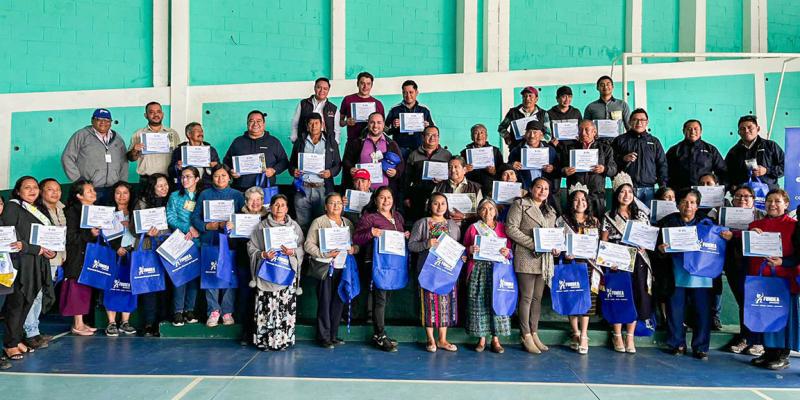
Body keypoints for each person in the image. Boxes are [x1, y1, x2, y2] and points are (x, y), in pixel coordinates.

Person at [658, 188, 733, 360]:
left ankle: (701, 347)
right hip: (676, 275)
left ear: (697, 206)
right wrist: (661, 250)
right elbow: (656, 249)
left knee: (703, 313)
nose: (688, 206)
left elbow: (718, 245)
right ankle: (677, 344)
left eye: (692, 202)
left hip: (702, 277)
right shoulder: (667, 222)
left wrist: (728, 237)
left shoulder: (708, 223)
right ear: (678, 204)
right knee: (675, 312)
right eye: (684, 202)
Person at [601, 172, 655, 354]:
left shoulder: (641, 215)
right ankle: (617, 334)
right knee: (619, 296)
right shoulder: (609, 216)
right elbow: (604, 242)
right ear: (616, 194)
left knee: (636, 296)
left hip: (638, 261)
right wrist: (608, 260)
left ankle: (630, 336)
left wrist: (644, 246)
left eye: (630, 192)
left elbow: (648, 238)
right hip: (617, 260)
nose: (626, 195)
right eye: (622, 192)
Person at [2, 177, 54, 361]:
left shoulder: (39, 209)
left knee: (27, 303)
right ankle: (10, 345)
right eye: (27, 187)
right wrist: (34, 248)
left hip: (36, 263)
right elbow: (9, 237)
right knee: (16, 305)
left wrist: (51, 251)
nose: (32, 190)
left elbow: (49, 237)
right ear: (18, 191)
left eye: (35, 187)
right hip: (18, 263)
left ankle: (16, 340)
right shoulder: (12, 207)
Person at [505, 177, 558, 354]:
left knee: (537, 298)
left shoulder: (551, 211)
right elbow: (511, 229)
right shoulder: (520, 204)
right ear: (531, 188)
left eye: (546, 188)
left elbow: (553, 235)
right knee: (526, 297)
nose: (542, 191)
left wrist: (555, 248)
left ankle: (534, 332)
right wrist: (535, 244)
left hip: (544, 261)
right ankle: (525, 334)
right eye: (539, 187)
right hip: (526, 256)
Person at [353, 187, 410, 352]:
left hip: (394, 264)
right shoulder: (369, 217)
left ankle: (379, 333)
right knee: (380, 299)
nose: (386, 201)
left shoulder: (397, 217)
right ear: (375, 200)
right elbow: (357, 238)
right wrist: (371, 232)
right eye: (382, 197)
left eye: (389, 197)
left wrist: (404, 235)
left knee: (385, 297)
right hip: (376, 263)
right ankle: (380, 335)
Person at [747, 189, 798, 370]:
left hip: (784, 279)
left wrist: (783, 262)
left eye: (777, 201)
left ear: (786, 204)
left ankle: (782, 355)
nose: (772, 204)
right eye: (769, 200)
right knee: (765, 315)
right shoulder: (755, 225)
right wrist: (750, 236)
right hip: (762, 279)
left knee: (783, 318)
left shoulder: (794, 225)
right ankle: (769, 352)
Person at [247, 194, 305, 351]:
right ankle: (264, 341)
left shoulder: (294, 227)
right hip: (267, 273)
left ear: (287, 208)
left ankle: (282, 341)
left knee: (284, 308)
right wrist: (262, 254)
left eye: (282, 205)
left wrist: (293, 252)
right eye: (276, 205)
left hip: (286, 273)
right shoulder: (261, 227)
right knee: (266, 308)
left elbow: (302, 248)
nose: (279, 208)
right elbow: (251, 247)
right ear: (270, 207)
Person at [191, 165, 245, 327]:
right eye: (216, 176)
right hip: (210, 240)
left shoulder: (237, 195)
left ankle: (227, 311)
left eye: (223, 175)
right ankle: (213, 311)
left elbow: (244, 217)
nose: (220, 179)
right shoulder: (205, 194)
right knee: (210, 274)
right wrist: (208, 226)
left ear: (230, 178)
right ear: (212, 178)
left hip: (230, 242)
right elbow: (195, 217)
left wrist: (233, 224)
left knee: (230, 275)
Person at [303, 192, 358, 348]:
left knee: (338, 303)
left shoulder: (347, 223)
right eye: (332, 203)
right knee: (325, 303)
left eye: (339, 203)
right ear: (326, 206)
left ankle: (333, 335)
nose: (336, 206)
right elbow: (308, 245)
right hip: (326, 267)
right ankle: (323, 337)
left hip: (343, 268)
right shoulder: (319, 222)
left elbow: (356, 244)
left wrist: (354, 249)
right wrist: (324, 254)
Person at [408, 193, 462, 352]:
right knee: (429, 305)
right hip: (428, 271)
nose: (439, 207)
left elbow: (457, 247)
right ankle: (430, 340)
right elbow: (411, 245)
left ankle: (442, 340)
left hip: (447, 271)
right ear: (429, 205)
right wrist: (427, 243)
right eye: (435, 203)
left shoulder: (453, 225)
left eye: (443, 203)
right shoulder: (422, 223)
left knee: (446, 304)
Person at [556, 184, 602, 354]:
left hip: (589, 265)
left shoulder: (594, 221)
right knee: (572, 297)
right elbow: (557, 242)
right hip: (571, 264)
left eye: (583, 199)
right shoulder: (562, 220)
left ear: (587, 202)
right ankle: (574, 332)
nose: (580, 203)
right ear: (571, 202)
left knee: (587, 300)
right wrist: (564, 252)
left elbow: (599, 245)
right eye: (576, 200)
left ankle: (584, 334)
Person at [463, 198, 512, 353]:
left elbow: (510, 251)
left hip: (498, 271)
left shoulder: (503, 228)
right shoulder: (473, 228)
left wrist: (507, 252)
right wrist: (470, 250)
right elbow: (464, 249)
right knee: (479, 303)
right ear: (479, 212)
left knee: (497, 302)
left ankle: (495, 339)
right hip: (478, 269)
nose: (487, 212)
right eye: (484, 208)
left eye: (491, 208)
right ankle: (481, 338)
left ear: (496, 211)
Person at [724, 185, 766, 356]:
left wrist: (739, 234)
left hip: (757, 265)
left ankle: (758, 341)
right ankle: (746, 338)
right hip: (734, 264)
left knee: (756, 302)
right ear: (732, 199)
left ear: (753, 199)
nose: (742, 199)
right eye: (738, 196)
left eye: (747, 196)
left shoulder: (762, 215)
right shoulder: (724, 215)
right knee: (742, 301)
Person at [22, 179, 63, 349]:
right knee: (35, 295)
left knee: (41, 296)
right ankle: (30, 333)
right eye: (50, 189)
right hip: (37, 259)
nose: (55, 193)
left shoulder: (60, 209)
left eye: (58, 189)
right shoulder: (35, 210)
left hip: (54, 259)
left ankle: (34, 330)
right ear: (42, 192)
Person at [132, 173, 172, 336]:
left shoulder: (172, 200)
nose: (164, 188)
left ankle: (163, 321)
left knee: (166, 285)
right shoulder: (141, 203)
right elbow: (134, 229)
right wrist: (146, 232)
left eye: (166, 185)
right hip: (149, 248)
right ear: (152, 187)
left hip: (168, 247)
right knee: (150, 285)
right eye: (160, 186)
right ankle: (149, 323)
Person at [61, 108, 128, 205]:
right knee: (90, 214)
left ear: (111, 122)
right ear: (92, 120)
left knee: (111, 214)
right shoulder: (82, 135)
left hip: (113, 189)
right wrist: (78, 180)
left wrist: (122, 183)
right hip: (90, 190)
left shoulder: (117, 138)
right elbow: (67, 157)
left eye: (107, 120)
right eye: (99, 119)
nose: (103, 122)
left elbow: (124, 161)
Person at [289, 113, 342, 231]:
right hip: (303, 189)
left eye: (316, 123)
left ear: (322, 125)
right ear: (307, 126)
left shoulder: (331, 141)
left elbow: (338, 164)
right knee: (302, 224)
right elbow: (291, 164)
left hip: (323, 189)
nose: (314, 126)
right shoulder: (300, 141)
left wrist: (330, 172)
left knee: (322, 224)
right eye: (311, 123)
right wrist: (294, 171)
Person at [62, 179, 101, 336]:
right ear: (79, 195)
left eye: (93, 190)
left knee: (85, 288)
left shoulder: (96, 211)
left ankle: (82, 322)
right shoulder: (72, 212)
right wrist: (90, 234)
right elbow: (70, 237)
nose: (94, 193)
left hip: (90, 255)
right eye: (89, 191)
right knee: (76, 288)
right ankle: (77, 324)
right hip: (76, 255)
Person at [166, 167, 202, 327]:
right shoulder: (175, 196)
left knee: (193, 277)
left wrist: (198, 229)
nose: (184, 180)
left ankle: (189, 310)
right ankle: (178, 312)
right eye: (182, 177)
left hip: (198, 240)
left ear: (197, 179)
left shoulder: (203, 195)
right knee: (180, 276)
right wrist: (187, 228)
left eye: (188, 177)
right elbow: (170, 217)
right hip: (180, 240)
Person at [234, 187, 269, 345]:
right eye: (251, 200)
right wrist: (230, 230)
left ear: (262, 201)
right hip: (244, 261)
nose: (255, 203)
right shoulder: (238, 217)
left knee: (264, 297)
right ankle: (246, 332)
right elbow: (233, 242)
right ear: (246, 202)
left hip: (264, 263)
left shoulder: (269, 217)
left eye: (258, 199)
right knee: (246, 296)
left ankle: (264, 332)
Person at [103, 181, 139, 336]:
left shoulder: (135, 213)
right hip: (113, 253)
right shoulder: (108, 212)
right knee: (111, 287)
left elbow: (141, 233)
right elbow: (104, 234)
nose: (121, 196)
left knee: (129, 287)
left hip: (132, 253)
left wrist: (130, 225)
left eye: (125, 193)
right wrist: (116, 247)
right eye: (118, 193)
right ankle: (111, 322)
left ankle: (125, 322)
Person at [612, 108, 668, 205]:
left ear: (647, 122)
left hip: (648, 189)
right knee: (625, 214)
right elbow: (611, 162)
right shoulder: (620, 140)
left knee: (647, 214)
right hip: (625, 189)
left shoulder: (654, 142)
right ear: (630, 122)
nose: (639, 122)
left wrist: (663, 186)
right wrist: (623, 159)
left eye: (642, 120)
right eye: (635, 119)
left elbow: (662, 164)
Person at [223, 110, 289, 191]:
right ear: (247, 124)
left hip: (265, 189)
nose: (255, 124)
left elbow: (284, 161)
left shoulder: (273, 142)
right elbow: (226, 162)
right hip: (240, 189)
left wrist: (273, 170)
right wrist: (231, 171)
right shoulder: (238, 141)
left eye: (259, 121)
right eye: (251, 121)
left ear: (264, 124)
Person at [561, 119, 616, 217]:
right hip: (576, 196)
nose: (583, 133)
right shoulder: (569, 148)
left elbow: (614, 169)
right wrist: (564, 171)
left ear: (594, 132)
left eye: (587, 130)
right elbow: (559, 168)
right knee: (575, 223)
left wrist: (604, 169)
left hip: (597, 195)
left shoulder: (605, 149)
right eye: (580, 130)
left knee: (597, 222)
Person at [341, 112, 405, 193]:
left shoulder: (391, 144)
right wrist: (350, 168)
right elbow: (346, 160)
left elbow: (401, 163)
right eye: (372, 122)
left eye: (379, 122)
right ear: (368, 124)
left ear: (383, 125)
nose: (375, 126)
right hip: (361, 190)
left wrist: (395, 172)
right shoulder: (357, 143)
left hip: (384, 193)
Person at [507, 120, 560, 212]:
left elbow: (558, 170)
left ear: (541, 135)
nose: (531, 135)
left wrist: (553, 169)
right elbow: (506, 170)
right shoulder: (517, 151)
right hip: (524, 191)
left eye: (535, 132)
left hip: (545, 193)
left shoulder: (550, 150)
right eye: (529, 132)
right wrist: (512, 165)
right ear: (525, 134)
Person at [404, 125, 452, 222]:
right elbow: (407, 178)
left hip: (439, 196)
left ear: (439, 137)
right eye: (429, 135)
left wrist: (443, 178)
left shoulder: (447, 155)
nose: (432, 138)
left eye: (435, 135)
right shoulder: (414, 154)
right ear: (422, 137)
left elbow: (452, 175)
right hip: (418, 196)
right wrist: (406, 197)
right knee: (419, 223)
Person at [725, 115, 785, 191]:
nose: (746, 131)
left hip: (768, 193)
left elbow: (786, 166)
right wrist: (732, 186)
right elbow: (726, 173)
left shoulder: (770, 146)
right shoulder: (734, 151)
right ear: (739, 132)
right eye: (742, 129)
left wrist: (767, 170)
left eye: (750, 127)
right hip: (743, 195)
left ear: (758, 128)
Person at [127, 102, 181, 182]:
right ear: (146, 115)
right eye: (151, 112)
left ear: (162, 114)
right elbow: (131, 158)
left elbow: (178, 155)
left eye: (158, 112)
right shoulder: (138, 134)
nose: (156, 115)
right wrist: (134, 150)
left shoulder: (172, 133)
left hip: (168, 180)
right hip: (146, 180)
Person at [666, 119, 727, 191]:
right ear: (683, 131)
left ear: (701, 131)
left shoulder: (710, 150)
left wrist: (717, 188)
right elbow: (665, 172)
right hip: (680, 192)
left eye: (696, 129)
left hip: (704, 192)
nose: (692, 131)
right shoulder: (674, 150)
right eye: (689, 129)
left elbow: (722, 171)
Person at [385, 80, 435, 159]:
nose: (408, 95)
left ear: (417, 92)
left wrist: (427, 127)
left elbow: (433, 131)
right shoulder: (394, 109)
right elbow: (386, 130)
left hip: (419, 150)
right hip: (400, 149)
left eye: (411, 92)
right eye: (405, 93)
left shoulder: (424, 110)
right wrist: (394, 126)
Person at [433, 156, 483, 230]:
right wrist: (445, 214)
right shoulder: (439, 186)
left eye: (456, 167)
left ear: (464, 170)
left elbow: (481, 211)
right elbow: (429, 207)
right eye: (450, 167)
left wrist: (465, 217)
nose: (453, 170)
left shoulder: (475, 187)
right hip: (444, 227)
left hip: (468, 228)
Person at [291, 77, 341, 144]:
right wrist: (294, 138)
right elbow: (295, 123)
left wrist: (335, 143)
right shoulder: (303, 104)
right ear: (314, 88)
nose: (322, 91)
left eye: (325, 89)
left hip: (326, 143)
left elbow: (337, 129)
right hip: (304, 141)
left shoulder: (333, 109)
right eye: (319, 87)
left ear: (328, 90)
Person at [169, 122, 221, 187]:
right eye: (198, 131)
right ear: (189, 134)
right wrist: (177, 167)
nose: (201, 133)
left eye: (202, 131)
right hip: (185, 186)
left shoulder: (211, 150)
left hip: (206, 185)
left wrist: (215, 166)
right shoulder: (179, 151)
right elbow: (170, 171)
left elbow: (220, 170)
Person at [340, 71, 385, 144]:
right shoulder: (348, 100)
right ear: (357, 84)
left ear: (371, 85)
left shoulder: (378, 104)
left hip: (373, 143)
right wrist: (346, 122)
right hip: (352, 142)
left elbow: (383, 126)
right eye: (362, 83)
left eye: (368, 84)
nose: (365, 87)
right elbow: (340, 122)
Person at [460, 124, 505, 196]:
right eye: (476, 133)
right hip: (471, 187)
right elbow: (459, 172)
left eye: (482, 133)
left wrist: (494, 172)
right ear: (471, 137)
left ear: (486, 136)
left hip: (490, 187)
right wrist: (465, 170)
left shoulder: (495, 151)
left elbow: (502, 170)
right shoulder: (464, 153)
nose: (479, 136)